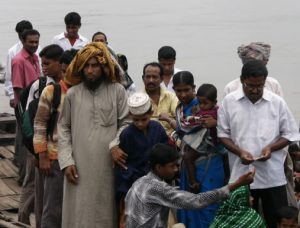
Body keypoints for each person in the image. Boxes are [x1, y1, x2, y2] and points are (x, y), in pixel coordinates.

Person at [218, 60, 300, 228]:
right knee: (244, 223)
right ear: (242, 80)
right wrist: (239, 152)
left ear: (265, 82)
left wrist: (271, 148)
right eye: (250, 86)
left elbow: (290, 133)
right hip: (242, 175)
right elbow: (222, 135)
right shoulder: (229, 101)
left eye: (260, 86)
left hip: (273, 175)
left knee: (276, 221)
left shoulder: (276, 102)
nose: (255, 90)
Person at [57, 42, 130, 228]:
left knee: (106, 211)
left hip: (108, 165)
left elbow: (127, 123)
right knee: (78, 213)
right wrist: (66, 161)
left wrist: (115, 144)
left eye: (95, 65)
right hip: (78, 166)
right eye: (86, 66)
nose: (90, 71)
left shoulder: (118, 91)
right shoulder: (73, 94)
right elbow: (63, 128)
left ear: (104, 67)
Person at [125, 143, 255, 228]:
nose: (176, 169)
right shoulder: (157, 188)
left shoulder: (140, 182)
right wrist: (237, 184)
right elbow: (196, 201)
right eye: (172, 166)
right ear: (159, 167)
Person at [171, 71, 225, 227]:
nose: (183, 94)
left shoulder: (202, 107)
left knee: (208, 204)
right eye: (179, 91)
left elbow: (187, 127)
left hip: (208, 161)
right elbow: (182, 129)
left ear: (193, 88)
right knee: (190, 203)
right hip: (189, 164)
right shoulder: (180, 108)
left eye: (186, 90)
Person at [116, 92, 169, 228]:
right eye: (136, 120)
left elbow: (166, 152)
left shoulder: (158, 128)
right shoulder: (126, 134)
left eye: (143, 119)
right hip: (133, 183)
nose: (139, 123)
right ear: (130, 116)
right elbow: (124, 164)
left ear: (151, 113)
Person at [32, 44, 64, 228]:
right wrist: (42, 155)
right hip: (53, 156)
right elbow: (39, 124)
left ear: (60, 64)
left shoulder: (73, 89)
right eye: (42, 64)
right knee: (51, 208)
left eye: (47, 64)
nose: (43, 68)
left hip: (71, 156)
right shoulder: (49, 89)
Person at [11, 29, 41, 225]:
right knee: (30, 175)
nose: (34, 45)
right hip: (28, 115)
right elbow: (19, 93)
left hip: (38, 112)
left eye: (37, 42)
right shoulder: (19, 61)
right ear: (22, 40)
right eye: (31, 42)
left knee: (33, 176)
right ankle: (22, 217)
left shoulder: (35, 58)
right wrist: (25, 121)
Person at [142, 62, 178, 136]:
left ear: (161, 79)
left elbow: (179, 122)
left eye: (154, 77)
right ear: (143, 78)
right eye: (148, 77)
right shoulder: (137, 100)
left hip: (170, 142)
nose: (151, 80)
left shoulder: (171, 97)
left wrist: (169, 119)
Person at [5, 20, 33, 108]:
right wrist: (12, 96)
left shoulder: (38, 49)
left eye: (25, 34)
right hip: (20, 92)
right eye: (20, 35)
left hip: (36, 91)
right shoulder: (13, 52)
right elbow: (9, 76)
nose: (22, 37)